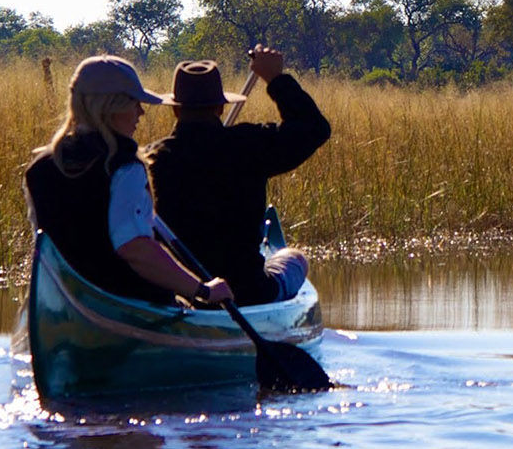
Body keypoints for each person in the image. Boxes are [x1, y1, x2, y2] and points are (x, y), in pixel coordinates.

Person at [23, 55, 233, 309]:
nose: (141, 112)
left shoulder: (40, 167)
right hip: (131, 302)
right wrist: (202, 290)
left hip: (61, 305)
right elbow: (135, 249)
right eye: (135, 102)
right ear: (111, 105)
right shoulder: (125, 166)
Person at [146, 45, 330, 305]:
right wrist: (276, 79)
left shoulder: (151, 160)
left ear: (175, 109)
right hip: (250, 292)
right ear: (221, 108)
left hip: (179, 294)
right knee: (295, 259)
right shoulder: (248, 145)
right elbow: (314, 128)